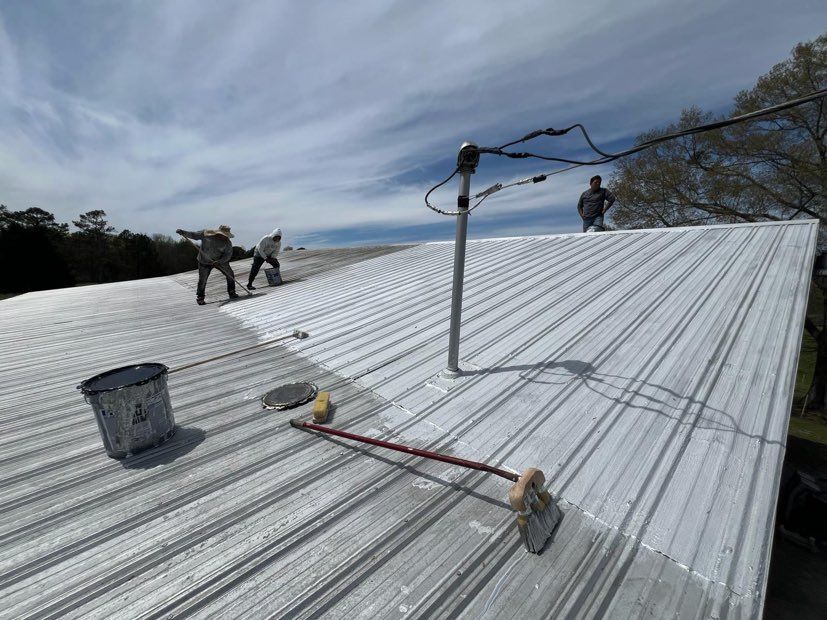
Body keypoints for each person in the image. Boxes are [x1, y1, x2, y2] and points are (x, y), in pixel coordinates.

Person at [176, 225, 238, 305]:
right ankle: (200, 297)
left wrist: (219, 262)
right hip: (204, 261)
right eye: (224, 235)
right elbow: (194, 235)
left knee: (230, 275)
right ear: (219, 233)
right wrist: (183, 232)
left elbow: (228, 255)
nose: (226, 237)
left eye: (227, 235)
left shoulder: (227, 243)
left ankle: (232, 292)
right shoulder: (206, 234)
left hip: (220, 262)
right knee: (203, 280)